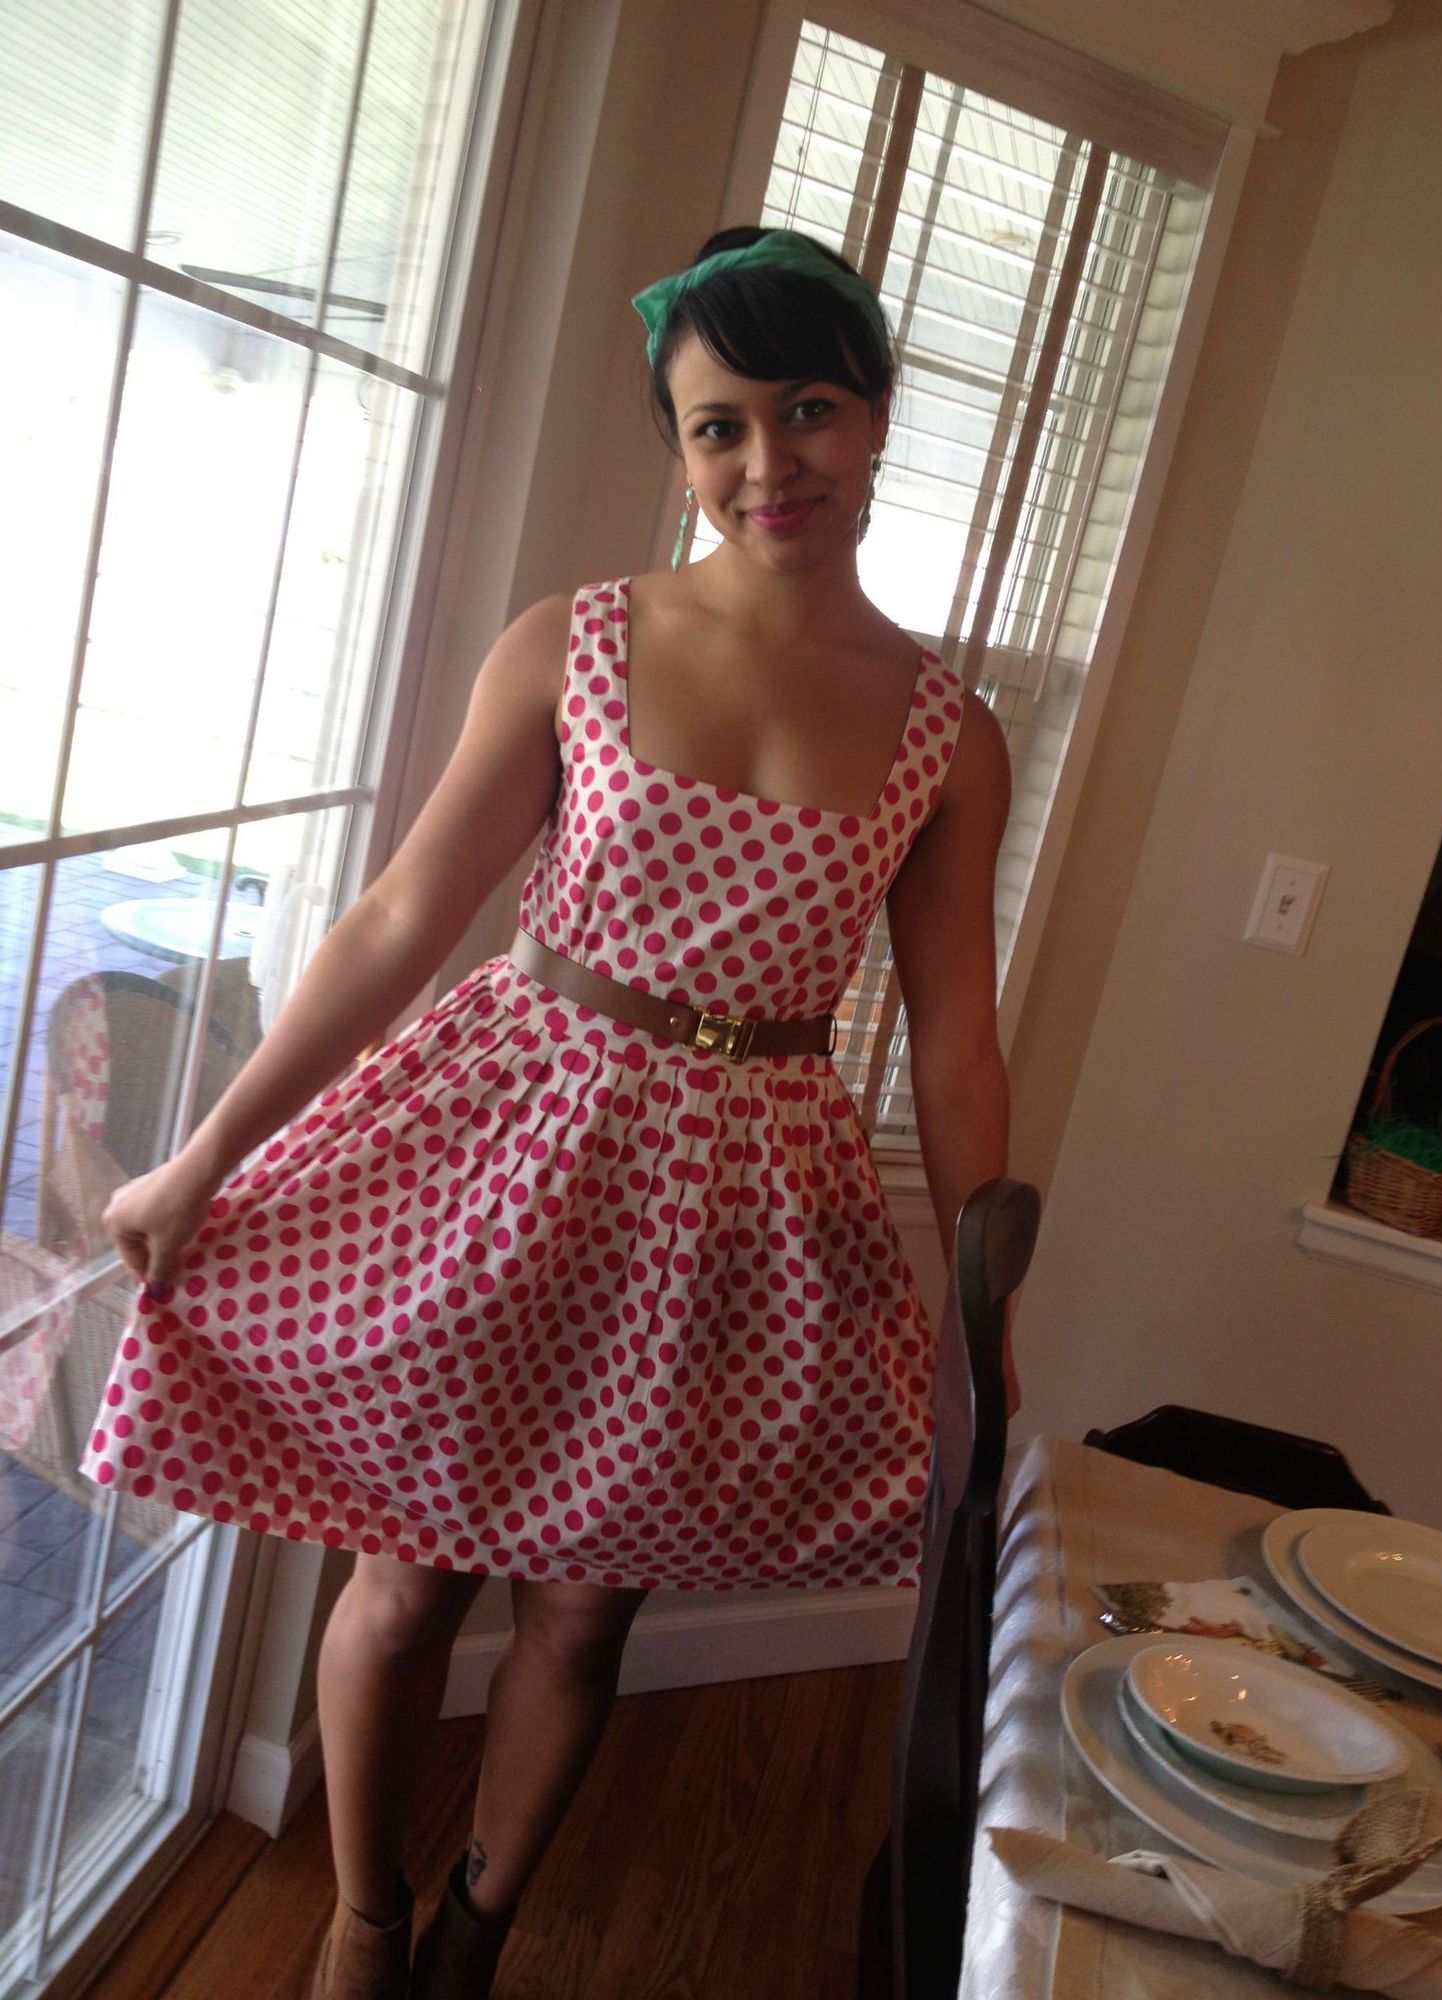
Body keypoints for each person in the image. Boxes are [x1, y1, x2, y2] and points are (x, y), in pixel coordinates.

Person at [85, 224, 1013, 2000]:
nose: (768, 461)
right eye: (718, 425)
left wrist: (984, 1328)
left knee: (589, 1613)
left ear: (880, 413)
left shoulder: (947, 736)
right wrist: (207, 1157)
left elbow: (959, 1046)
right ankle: (366, 1918)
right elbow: (401, 918)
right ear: (680, 446)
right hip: (503, 1157)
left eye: (808, 408)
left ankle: (475, 1932)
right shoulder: (577, 642)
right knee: (404, 1586)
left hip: (733, 1218)